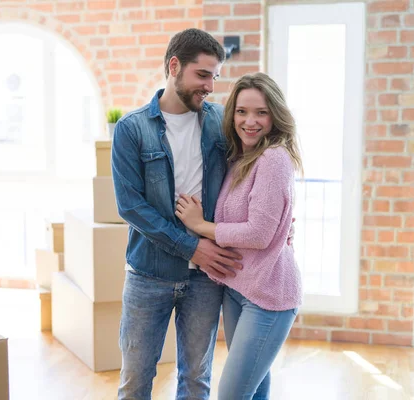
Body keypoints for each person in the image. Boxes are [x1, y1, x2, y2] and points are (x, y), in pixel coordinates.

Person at [111, 28, 243, 400]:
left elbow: (249, 176)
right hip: (148, 275)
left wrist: (279, 220)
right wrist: (191, 247)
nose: (211, 87)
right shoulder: (132, 129)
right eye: (203, 75)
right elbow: (131, 206)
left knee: (197, 381)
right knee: (136, 381)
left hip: (206, 278)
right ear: (174, 66)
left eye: (214, 76)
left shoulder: (220, 121)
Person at [176, 72, 304, 400]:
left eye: (261, 112)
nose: (250, 121)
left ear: (275, 115)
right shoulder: (241, 158)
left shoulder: (273, 158)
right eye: (242, 111)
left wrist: (201, 226)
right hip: (237, 288)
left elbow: (259, 234)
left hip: (268, 297)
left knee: (232, 394)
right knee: (254, 389)